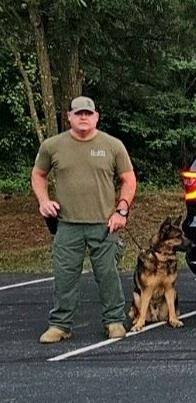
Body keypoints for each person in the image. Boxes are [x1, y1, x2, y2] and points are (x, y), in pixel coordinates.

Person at [34, 96, 137, 343]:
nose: (83, 117)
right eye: (78, 113)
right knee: (64, 276)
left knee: (108, 275)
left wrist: (122, 210)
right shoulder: (52, 145)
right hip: (67, 224)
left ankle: (114, 321)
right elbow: (38, 174)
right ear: (69, 116)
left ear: (96, 117)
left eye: (88, 114)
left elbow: (128, 179)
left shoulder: (113, 145)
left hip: (104, 224)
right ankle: (60, 324)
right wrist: (44, 201)